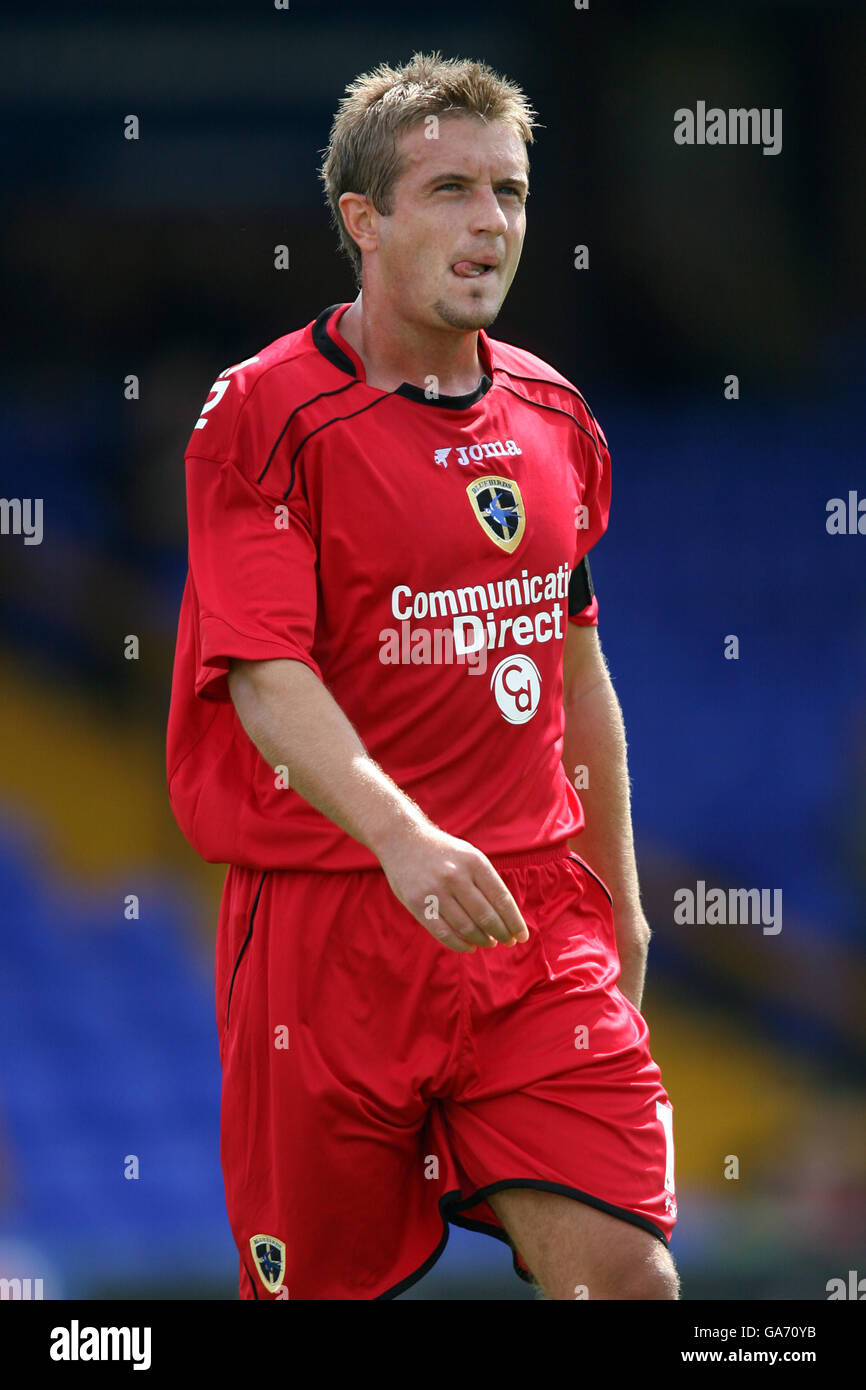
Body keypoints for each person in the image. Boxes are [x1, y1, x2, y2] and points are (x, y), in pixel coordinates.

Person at [166, 50, 679, 1301]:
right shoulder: (265, 417)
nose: (490, 223)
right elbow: (262, 672)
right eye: (450, 189)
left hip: (527, 923)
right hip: (328, 929)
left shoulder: (556, 415)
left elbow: (574, 668)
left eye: (508, 191)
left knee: (625, 1277)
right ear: (363, 220)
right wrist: (403, 839)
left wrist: (617, 895)